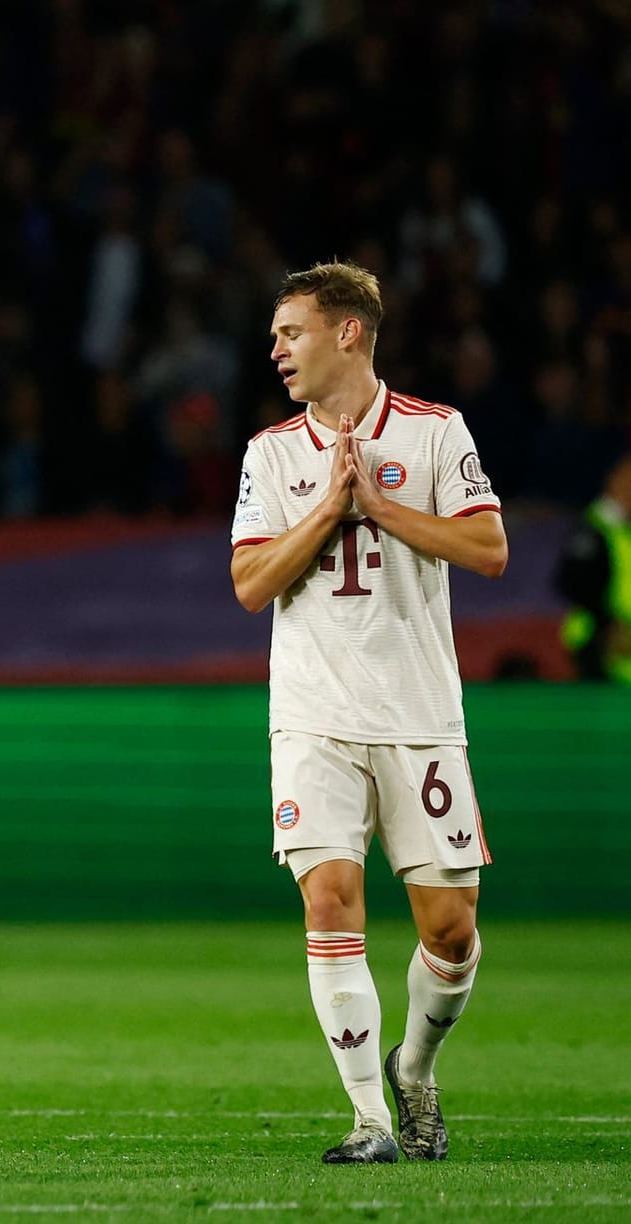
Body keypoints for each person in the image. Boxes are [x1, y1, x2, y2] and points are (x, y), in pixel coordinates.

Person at [230, 262, 507, 1165]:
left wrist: (379, 505)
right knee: (330, 898)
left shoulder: (434, 433)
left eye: (291, 331)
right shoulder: (271, 454)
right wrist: (328, 511)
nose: (276, 348)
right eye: (275, 335)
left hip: (420, 714)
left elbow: (490, 548)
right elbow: (249, 583)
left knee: (451, 930)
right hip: (312, 713)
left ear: (348, 331)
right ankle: (369, 1120)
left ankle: (414, 1069)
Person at [554, 452, 631, 683]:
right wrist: (608, 626)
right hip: (597, 640)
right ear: (613, 481)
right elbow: (571, 582)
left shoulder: (620, 530)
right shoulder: (592, 529)